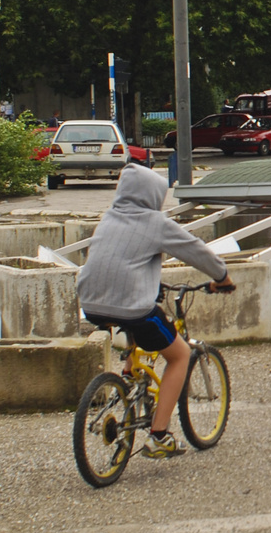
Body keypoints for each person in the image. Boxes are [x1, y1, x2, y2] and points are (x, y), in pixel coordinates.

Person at [76, 164, 235, 458]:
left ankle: (128, 378)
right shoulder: (154, 222)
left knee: (134, 323)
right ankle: (160, 436)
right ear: (152, 195)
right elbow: (196, 250)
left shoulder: (109, 218)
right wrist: (221, 277)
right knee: (180, 355)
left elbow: (118, 261)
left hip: (91, 304)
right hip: (131, 306)